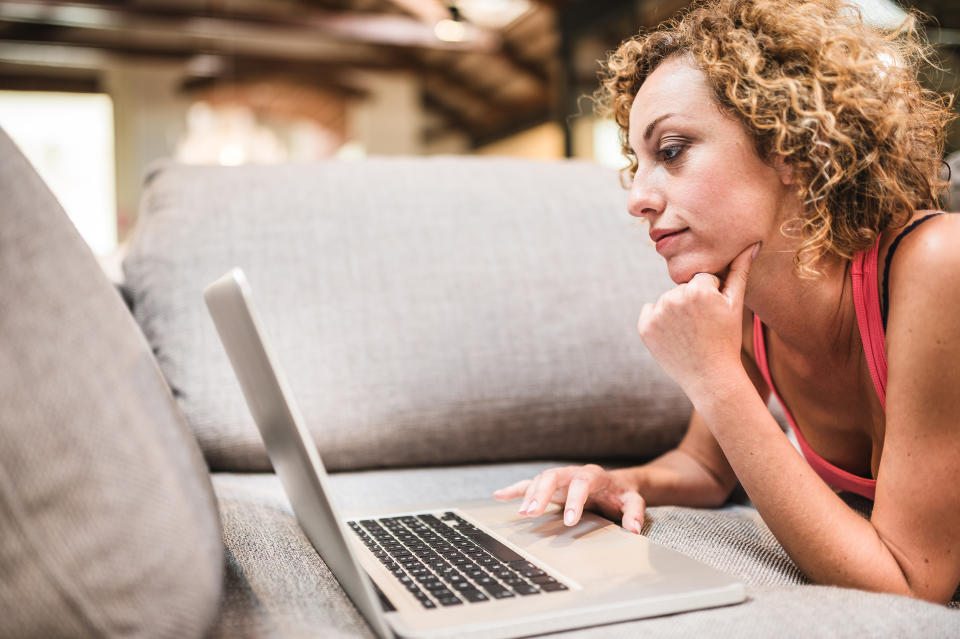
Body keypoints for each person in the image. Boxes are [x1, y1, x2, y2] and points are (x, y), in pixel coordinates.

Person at [495, 0, 960, 604]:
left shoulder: (937, 263)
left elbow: (911, 586)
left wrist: (714, 377)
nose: (637, 198)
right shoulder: (745, 306)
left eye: (671, 150)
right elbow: (706, 469)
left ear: (793, 147)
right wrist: (616, 482)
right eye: (636, 164)